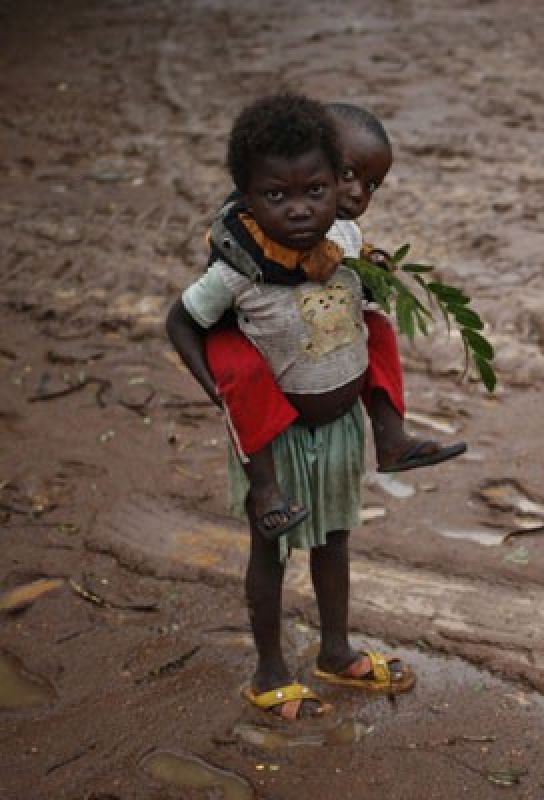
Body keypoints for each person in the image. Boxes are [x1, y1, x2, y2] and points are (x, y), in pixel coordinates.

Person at [166, 92, 415, 719]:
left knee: (334, 540)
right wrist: (221, 390)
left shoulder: (346, 239)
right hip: (272, 439)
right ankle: (269, 672)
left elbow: (362, 305)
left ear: (338, 186)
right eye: (277, 195)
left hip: (336, 429)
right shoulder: (237, 270)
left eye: (317, 190)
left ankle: (335, 652)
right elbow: (182, 323)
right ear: (246, 196)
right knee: (269, 549)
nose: (301, 209)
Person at [204, 102, 465, 541]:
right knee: (240, 368)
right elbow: (203, 310)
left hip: (316, 357)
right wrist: (211, 384)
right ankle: (267, 489)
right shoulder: (249, 233)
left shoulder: (340, 231)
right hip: (259, 351)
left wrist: (372, 275)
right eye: (347, 175)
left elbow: (340, 276)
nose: (360, 194)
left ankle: (391, 436)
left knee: (377, 327)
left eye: (372, 185)